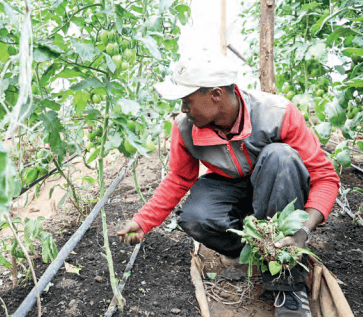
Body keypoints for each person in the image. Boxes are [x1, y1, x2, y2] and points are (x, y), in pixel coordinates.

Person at [117, 50, 339, 317]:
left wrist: (302, 232)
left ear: (216, 95)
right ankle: (262, 252)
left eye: (187, 101)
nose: (183, 110)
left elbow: (324, 177)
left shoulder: (277, 113)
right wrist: (143, 221)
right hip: (231, 186)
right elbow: (178, 178)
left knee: (280, 157)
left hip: (279, 187)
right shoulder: (186, 127)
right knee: (196, 217)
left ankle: (287, 283)